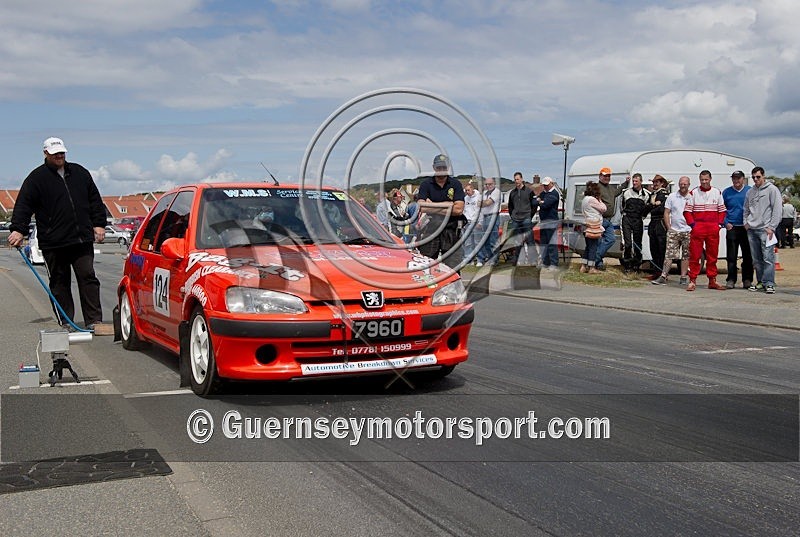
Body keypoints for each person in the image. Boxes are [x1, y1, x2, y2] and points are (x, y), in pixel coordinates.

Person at [8, 137, 108, 329]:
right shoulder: (36, 179)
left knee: (88, 277)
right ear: (46, 154)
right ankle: (66, 321)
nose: (59, 156)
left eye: (62, 152)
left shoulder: (80, 173)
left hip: (81, 239)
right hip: (54, 242)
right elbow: (24, 206)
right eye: (55, 154)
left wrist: (99, 224)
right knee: (60, 282)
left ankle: (94, 320)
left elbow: (95, 200)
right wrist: (18, 230)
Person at [416, 154, 466, 271]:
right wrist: (448, 205)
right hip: (432, 228)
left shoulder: (455, 184)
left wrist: (431, 204)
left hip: (451, 229)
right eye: (439, 168)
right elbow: (421, 207)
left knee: (453, 266)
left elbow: (458, 210)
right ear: (434, 168)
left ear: (448, 167)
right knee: (427, 263)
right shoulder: (426, 184)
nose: (441, 170)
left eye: (444, 167)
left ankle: (454, 288)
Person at [683, 170, 727, 291]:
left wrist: (719, 224)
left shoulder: (717, 192)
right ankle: (692, 280)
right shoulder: (693, 193)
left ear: (710, 179)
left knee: (712, 255)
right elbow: (687, 211)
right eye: (702, 180)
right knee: (695, 255)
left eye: (706, 179)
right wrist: (693, 225)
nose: (704, 182)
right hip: (698, 228)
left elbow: (722, 210)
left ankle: (712, 280)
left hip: (712, 228)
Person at [744, 166, 782, 294]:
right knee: (756, 259)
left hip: (766, 230)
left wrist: (772, 227)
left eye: (758, 177)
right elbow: (746, 208)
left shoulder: (772, 190)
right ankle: (760, 282)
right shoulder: (750, 192)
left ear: (763, 176)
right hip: (752, 229)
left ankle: (769, 283)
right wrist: (746, 222)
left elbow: (777, 209)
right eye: (753, 177)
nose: (756, 179)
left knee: (768, 258)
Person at [652, 176, 692, 286]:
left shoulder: (692, 197)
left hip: (688, 230)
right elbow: (666, 212)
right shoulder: (672, 196)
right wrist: (669, 227)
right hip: (674, 230)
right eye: (681, 183)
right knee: (669, 255)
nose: (683, 185)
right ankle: (663, 276)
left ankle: (683, 277)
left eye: (685, 184)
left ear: (688, 184)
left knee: (685, 255)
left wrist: (693, 227)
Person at [721, 170, 753, 289]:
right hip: (732, 227)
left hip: (746, 227)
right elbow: (721, 209)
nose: (736, 181)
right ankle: (731, 279)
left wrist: (751, 223)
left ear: (743, 179)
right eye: (734, 178)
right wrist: (725, 223)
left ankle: (747, 279)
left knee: (748, 256)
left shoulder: (749, 191)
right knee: (731, 256)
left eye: (738, 178)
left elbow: (754, 208)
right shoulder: (727, 192)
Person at [594, 167, 629, 270]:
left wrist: (625, 183)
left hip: (608, 219)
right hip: (599, 218)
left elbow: (617, 192)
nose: (607, 177)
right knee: (599, 241)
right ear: (600, 176)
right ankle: (598, 263)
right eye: (605, 176)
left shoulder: (610, 188)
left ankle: (595, 259)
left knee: (611, 239)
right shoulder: (597, 187)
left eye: (608, 176)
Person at [619, 173, 651, 273]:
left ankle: (637, 264)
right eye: (633, 181)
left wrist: (641, 217)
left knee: (637, 243)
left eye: (636, 181)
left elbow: (646, 209)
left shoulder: (646, 194)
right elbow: (622, 206)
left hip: (638, 220)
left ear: (641, 181)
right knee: (627, 243)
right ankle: (627, 265)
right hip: (627, 219)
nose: (634, 183)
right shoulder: (626, 193)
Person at [506, 172, 537, 265]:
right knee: (517, 240)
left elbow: (534, 205)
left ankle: (533, 260)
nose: (516, 181)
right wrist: (512, 215)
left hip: (526, 218)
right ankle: (517, 260)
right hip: (516, 219)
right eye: (515, 179)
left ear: (522, 179)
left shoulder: (529, 191)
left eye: (518, 179)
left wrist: (530, 215)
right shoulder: (512, 192)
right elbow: (510, 206)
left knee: (530, 240)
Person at [646, 175, 669, 280]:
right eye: (654, 182)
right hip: (653, 222)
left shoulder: (664, 193)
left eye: (657, 182)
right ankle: (656, 271)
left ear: (662, 183)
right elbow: (647, 208)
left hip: (661, 222)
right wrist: (653, 205)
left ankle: (663, 273)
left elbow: (661, 209)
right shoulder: (652, 194)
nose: (655, 184)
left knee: (661, 249)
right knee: (653, 248)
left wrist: (653, 206)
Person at [580, 181, 606, 274]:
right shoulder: (592, 200)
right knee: (593, 247)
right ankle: (591, 267)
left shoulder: (585, 199)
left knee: (588, 247)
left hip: (586, 225)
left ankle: (583, 266)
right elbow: (603, 208)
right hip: (593, 226)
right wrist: (599, 200)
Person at [476, 176, 501, 266]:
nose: (488, 186)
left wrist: (482, 203)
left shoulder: (497, 192)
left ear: (494, 184)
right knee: (484, 240)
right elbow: (478, 204)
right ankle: (486, 258)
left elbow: (487, 203)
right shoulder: (484, 193)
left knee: (493, 240)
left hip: (493, 216)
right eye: (486, 184)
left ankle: (494, 259)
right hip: (485, 216)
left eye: (490, 184)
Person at [537, 177, 561, 269]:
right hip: (543, 221)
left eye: (547, 185)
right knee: (544, 242)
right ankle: (545, 262)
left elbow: (546, 204)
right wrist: (540, 201)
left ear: (552, 184)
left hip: (551, 221)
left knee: (552, 243)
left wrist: (541, 202)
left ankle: (554, 263)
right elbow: (535, 201)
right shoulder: (543, 193)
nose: (545, 187)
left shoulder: (554, 193)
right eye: (544, 185)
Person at [462, 181, 482, 263]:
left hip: (475, 221)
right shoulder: (465, 198)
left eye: (468, 190)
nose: (467, 192)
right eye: (466, 191)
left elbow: (480, 210)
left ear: (472, 189)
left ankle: (479, 259)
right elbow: (464, 210)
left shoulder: (479, 197)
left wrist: (480, 222)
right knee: (468, 242)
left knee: (477, 241)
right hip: (467, 222)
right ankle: (468, 259)